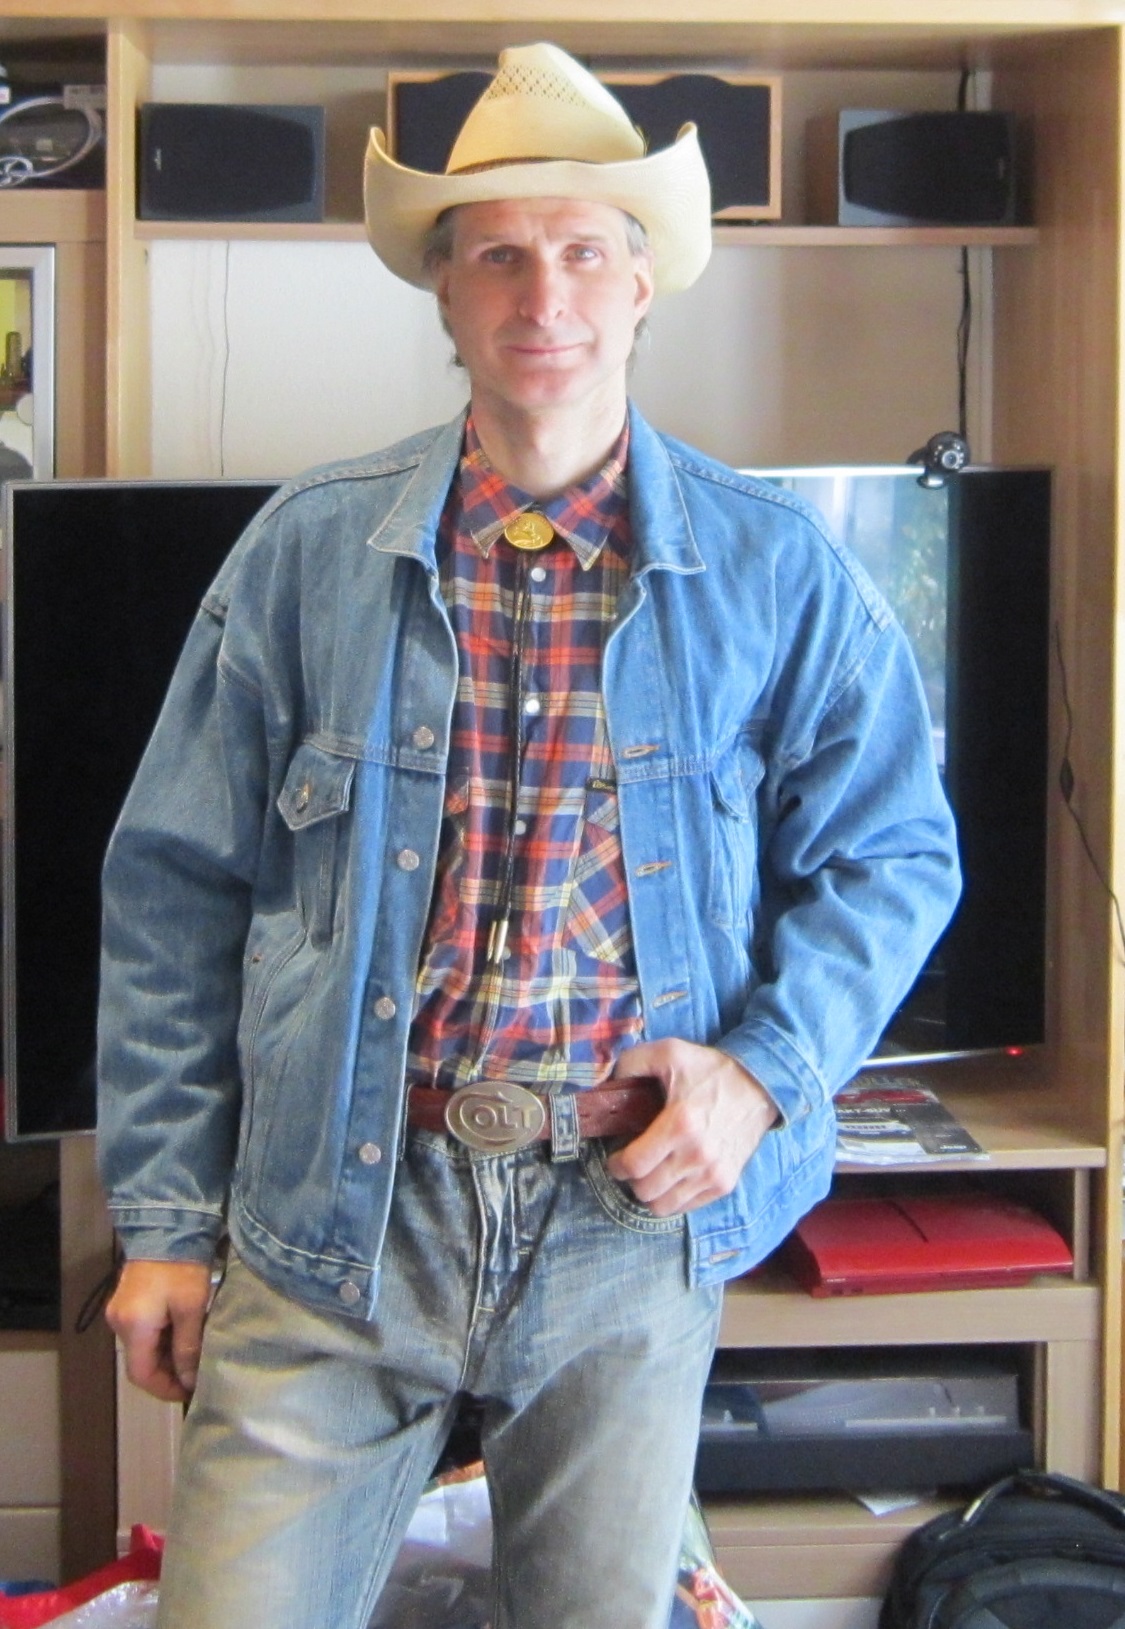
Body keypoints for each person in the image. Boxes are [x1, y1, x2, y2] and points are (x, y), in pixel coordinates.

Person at [97, 42, 960, 1629]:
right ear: (442, 291)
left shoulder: (777, 571)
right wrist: (161, 1221)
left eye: (579, 250)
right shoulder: (304, 555)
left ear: (641, 285)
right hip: (333, 1210)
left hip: (623, 1222)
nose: (540, 292)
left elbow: (894, 855)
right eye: (496, 253)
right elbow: (172, 890)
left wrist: (764, 1071)